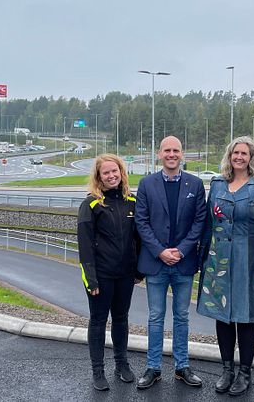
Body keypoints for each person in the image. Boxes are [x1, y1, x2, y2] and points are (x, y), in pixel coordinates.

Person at [198, 136, 254, 396]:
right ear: (229, 156)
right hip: (219, 258)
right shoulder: (218, 185)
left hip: (249, 260)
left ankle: (245, 372)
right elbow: (208, 224)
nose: (239, 157)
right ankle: (226, 370)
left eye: (244, 153)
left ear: (252, 157)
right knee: (223, 316)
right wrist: (202, 258)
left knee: (245, 317)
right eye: (235, 153)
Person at [134, 135, 208, 390]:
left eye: (176, 150)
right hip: (156, 263)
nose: (171, 154)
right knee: (155, 317)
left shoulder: (196, 185)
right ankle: (153, 367)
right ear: (159, 154)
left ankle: (182, 366)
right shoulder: (146, 184)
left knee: (182, 317)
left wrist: (182, 250)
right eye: (167, 150)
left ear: (182, 154)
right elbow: (141, 222)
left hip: (184, 264)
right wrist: (160, 252)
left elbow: (200, 222)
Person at [77, 154, 142, 391]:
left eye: (115, 171)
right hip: (100, 277)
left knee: (121, 320)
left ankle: (121, 365)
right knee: (98, 322)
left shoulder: (132, 201)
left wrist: (139, 271)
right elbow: (84, 246)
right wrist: (90, 278)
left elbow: (139, 239)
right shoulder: (91, 205)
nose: (111, 175)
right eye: (106, 173)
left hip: (125, 275)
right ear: (98, 177)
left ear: (121, 173)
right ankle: (98, 370)